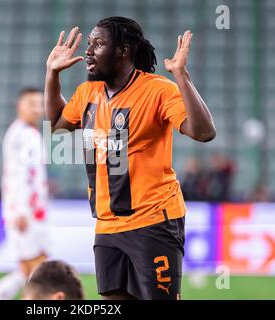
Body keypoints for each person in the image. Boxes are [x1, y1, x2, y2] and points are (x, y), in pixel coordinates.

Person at [44, 17, 216, 300]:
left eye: (98, 44)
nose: (88, 51)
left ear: (122, 51)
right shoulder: (88, 92)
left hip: (153, 221)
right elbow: (58, 124)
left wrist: (182, 76)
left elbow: (204, 132)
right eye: (89, 44)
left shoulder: (158, 90)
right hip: (107, 225)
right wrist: (52, 74)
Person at [0, 88, 49, 300]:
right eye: (31, 103)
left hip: (32, 211)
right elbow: (18, 174)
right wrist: (22, 210)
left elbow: (31, 173)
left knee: (29, 269)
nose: (36, 108)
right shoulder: (23, 135)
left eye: (39, 104)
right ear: (19, 106)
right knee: (35, 269)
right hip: (25, 212)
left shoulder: (26, 133)